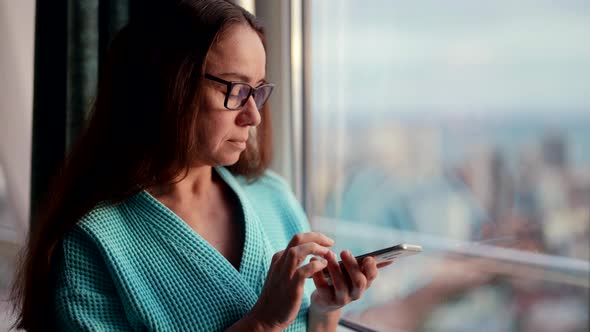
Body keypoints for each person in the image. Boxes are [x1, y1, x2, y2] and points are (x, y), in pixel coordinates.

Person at [11, 1, 384, 331]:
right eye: (236, 90)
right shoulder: (92, 245)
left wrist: (325, 308)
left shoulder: (273, 197)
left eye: (257, 91)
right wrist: (263, 322)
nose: (253, 115)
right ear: (169, 85)